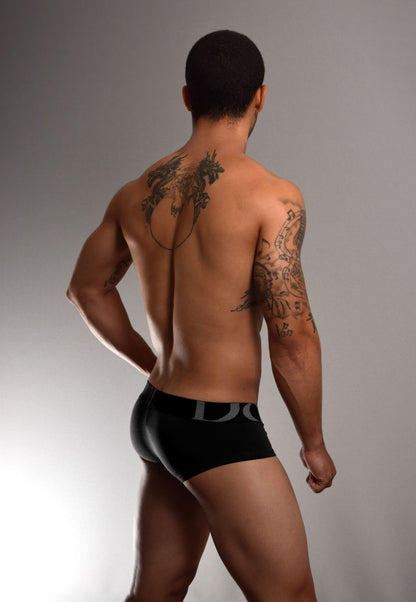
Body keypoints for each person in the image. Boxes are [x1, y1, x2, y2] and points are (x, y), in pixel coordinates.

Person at [67, 29, 336, 602]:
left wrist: (156, 365)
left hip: (157, 416)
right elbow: (293, 334)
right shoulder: (272, 198)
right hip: (217, 427)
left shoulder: (136, 192)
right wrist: (312, 441)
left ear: (188, 97)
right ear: (260, 97)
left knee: (156, 591)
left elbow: (86, 290)